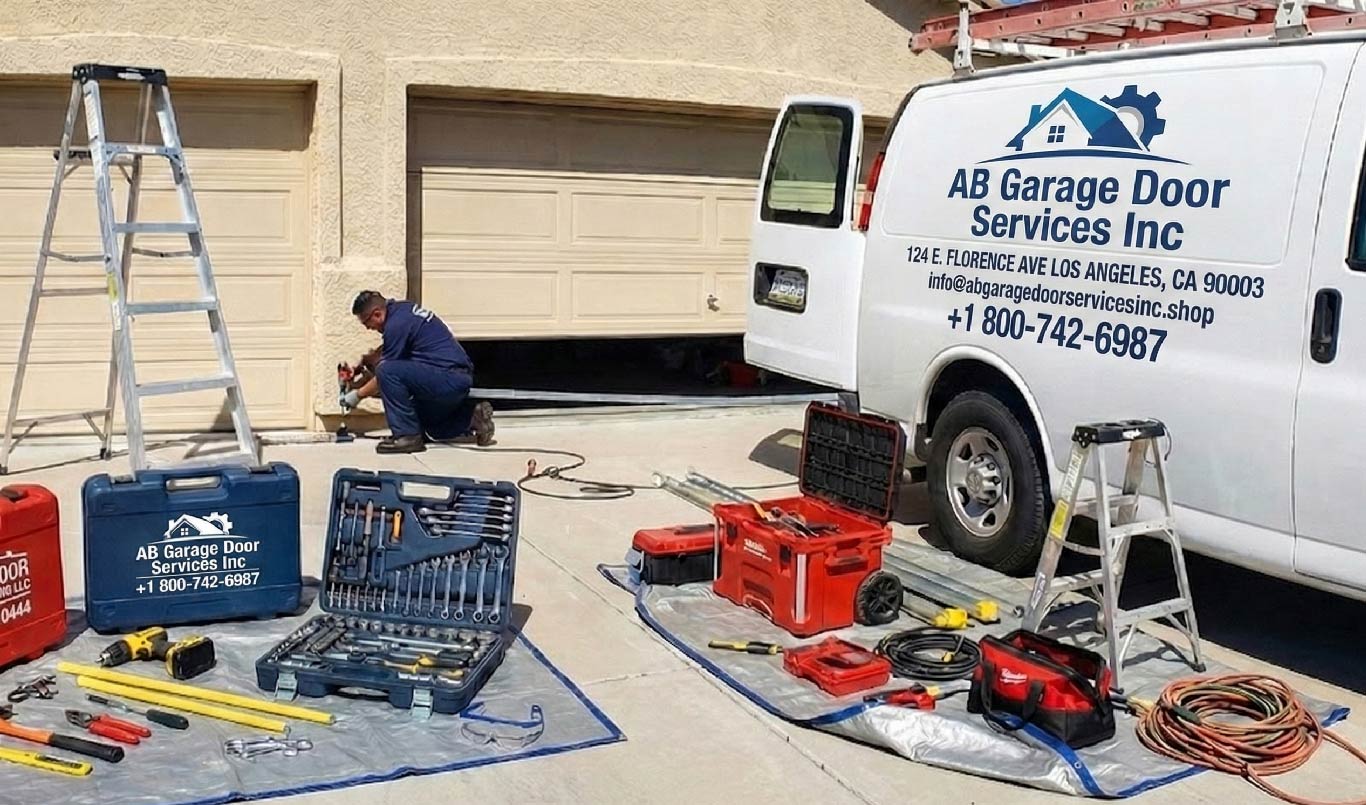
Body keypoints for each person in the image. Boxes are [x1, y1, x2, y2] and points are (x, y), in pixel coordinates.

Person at [340, 290, 494, 454]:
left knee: (387, 372)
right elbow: (386, 351)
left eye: (366, 322)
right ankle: (472, 418)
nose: (368, 328)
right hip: (454, 377)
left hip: (448, 377)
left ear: (377, 314)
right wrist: (362, 365)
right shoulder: (402, 311)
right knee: (426, 427)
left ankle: (407, 437)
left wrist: (357, 396)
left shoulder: (396, 324)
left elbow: (384, 374)